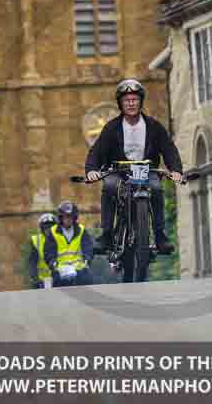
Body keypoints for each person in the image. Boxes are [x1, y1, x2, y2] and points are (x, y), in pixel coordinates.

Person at [85, 79, 183, 254]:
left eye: (134, 100)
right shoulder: (111, 128)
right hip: (119, 172)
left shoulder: (154, 126)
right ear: (120, 104)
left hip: (146, 171)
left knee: (157, 189)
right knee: (109, 187)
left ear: (140, 101)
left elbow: (169, 149)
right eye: (126, 100)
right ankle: (107, 235)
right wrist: (92, 170)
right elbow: (97, 151)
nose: (131, 103)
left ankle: (160, 236)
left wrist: (175, 170)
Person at [44, 201, 94, 287]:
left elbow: (88, 246)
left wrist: (87, 258)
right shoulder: (53, 231)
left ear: (75, 217)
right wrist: (52, 262)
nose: (68, 219)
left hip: (79, 270)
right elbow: (49, 251)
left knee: (88, 280)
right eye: (66, 216)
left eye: (71, 216)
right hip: (60, 270)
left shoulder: (81, 230)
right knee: (58, 289)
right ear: (61, 217)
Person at [28, 213, 57, 289]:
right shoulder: (36, 240)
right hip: (42, 281)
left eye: (51, 227)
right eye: (46, 228)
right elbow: (32, 262)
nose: (49, 230)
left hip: (59, 278)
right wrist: (35, 278)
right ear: (42, 228)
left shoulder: (61, 238)